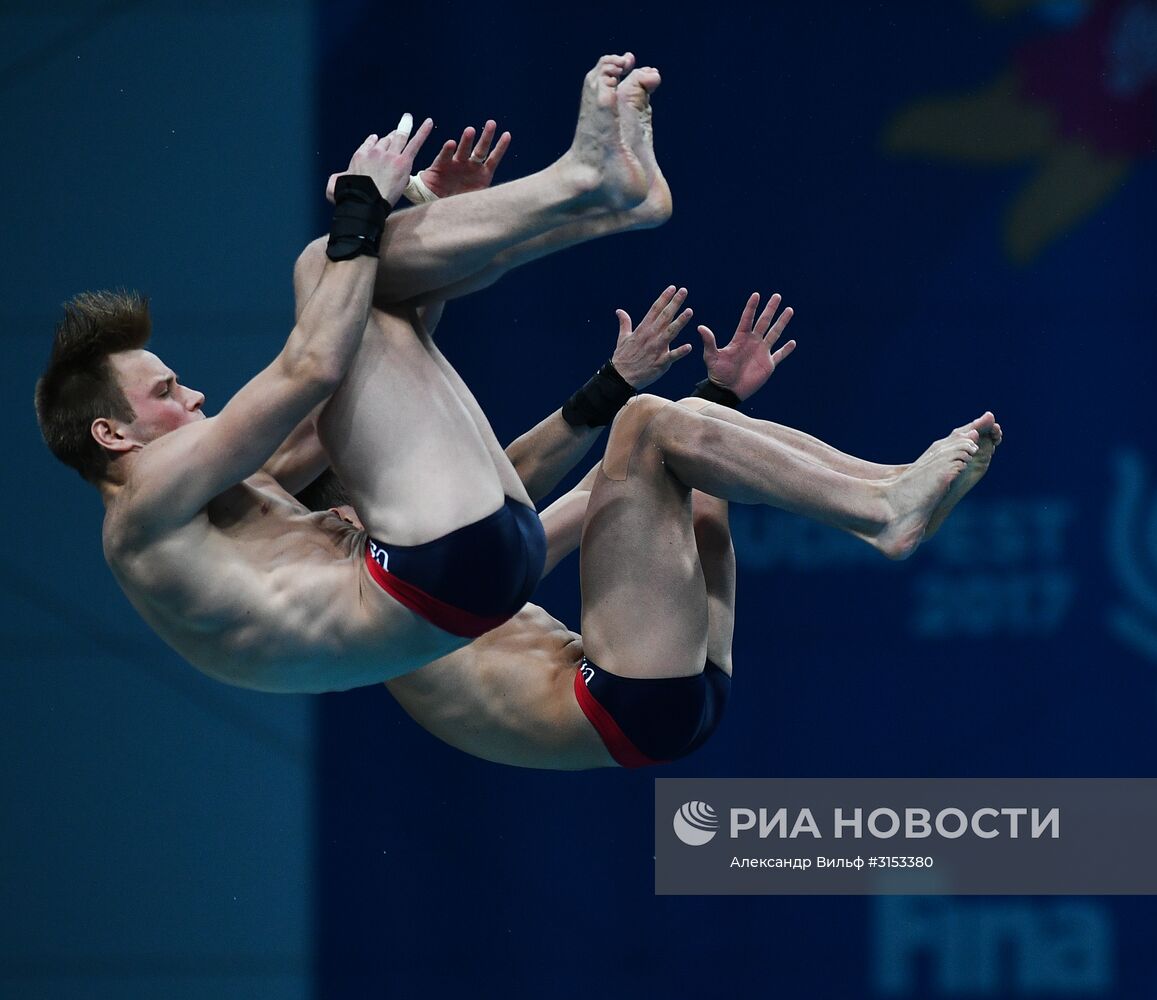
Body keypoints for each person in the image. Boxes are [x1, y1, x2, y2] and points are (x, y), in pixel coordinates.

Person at [34, 55, 676, 693]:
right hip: (432, 576)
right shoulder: (141, 509)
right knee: (323, 263)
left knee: (355, 279)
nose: (196, 394)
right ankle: (581, 179)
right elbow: (310, 368)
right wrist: (364, 208)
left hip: (474, 566)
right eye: (166, 391)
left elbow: (363, 367)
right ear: (113, 435)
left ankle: (614, 206)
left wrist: (438, 217)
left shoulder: (224, 491)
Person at [306, 286, 1001, 769]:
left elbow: (593, 500)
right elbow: (526, 480)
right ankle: (879, 511)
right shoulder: (385, 609)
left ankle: (888, 483)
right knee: (645, 424)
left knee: (675, 433)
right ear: (344, 514)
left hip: (660, 694)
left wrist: (713, 399)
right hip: (618, 698)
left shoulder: (434, 594)